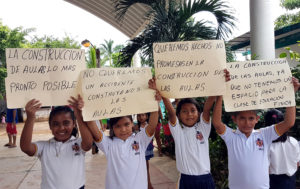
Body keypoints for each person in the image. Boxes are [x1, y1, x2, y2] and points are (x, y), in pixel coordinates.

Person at [212, 77, 300, 189]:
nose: (247, 122)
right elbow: (216, 122)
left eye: (251, 118)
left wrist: (291, 95)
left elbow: (289, 123)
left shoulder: (264, 134)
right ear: (235, 119)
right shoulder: (231, 136)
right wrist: (220, 95)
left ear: (257, 119)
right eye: (242, 118)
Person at [157, 69, 230, 189]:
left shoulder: (203, 128)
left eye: (192, 110)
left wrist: (218, 87)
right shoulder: (178, 132)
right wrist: (163, 95)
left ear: (198, 113)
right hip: (187, 180)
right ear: (179, 115)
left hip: (205, 179)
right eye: (184, 111)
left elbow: (207, 109)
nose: (189, 114)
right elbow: (171, 113)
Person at [84, 78, 160, 189]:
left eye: (126, 124)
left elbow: (152, 125)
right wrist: (86, 107)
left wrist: (155, 103)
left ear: (132, 124)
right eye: (118, 126)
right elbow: (94, 129)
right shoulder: (109, 144)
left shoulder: (140, 139)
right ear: (112, 128)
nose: (123, 129)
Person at [20, 96, 94, 189]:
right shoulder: (44, 147)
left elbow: (88, 144)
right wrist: (30, 118)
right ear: (50, 126)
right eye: (55, 124)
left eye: (66, 123)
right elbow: (26, 147)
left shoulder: (78, 144)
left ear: (74, 124)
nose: (61, 128)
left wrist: (78, 114)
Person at [265, 109, 300, 189]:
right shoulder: (293, 141)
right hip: (290, 180)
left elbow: (265, 170)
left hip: (272, 182)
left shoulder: (266, 146)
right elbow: (297, 164)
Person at [136, 112, 154, 189]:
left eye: (143, 115)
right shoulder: (136, 127)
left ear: (146, 116)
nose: (141, 117)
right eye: (139, 115)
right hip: (139, 149)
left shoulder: (148, 126)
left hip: (147, 148)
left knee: (146, 167)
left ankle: (148, 184)